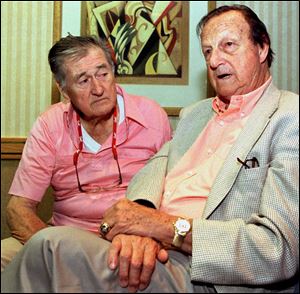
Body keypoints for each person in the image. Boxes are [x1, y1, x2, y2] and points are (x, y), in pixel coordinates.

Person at [1, 4, 299, 293]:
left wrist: (165, 229)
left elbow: (278, 251)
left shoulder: (289, 116)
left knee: (49, 249)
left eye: (229, 45)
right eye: (207, 51)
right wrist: (142, 218)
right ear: (63, 90)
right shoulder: (196, 114)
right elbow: (154, 170)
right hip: (145, 246)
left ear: (262, 48)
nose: (214, 60)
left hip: (207, 271)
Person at [0, 35, 172, 271]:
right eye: (83, 80)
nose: (99, 88)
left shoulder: (151, 116)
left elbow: (174, 193)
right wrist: (57, 254)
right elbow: (17, 209)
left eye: (103, 73)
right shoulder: (49, 125)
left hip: (130, 240)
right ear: (63, 89)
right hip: (66, 240)